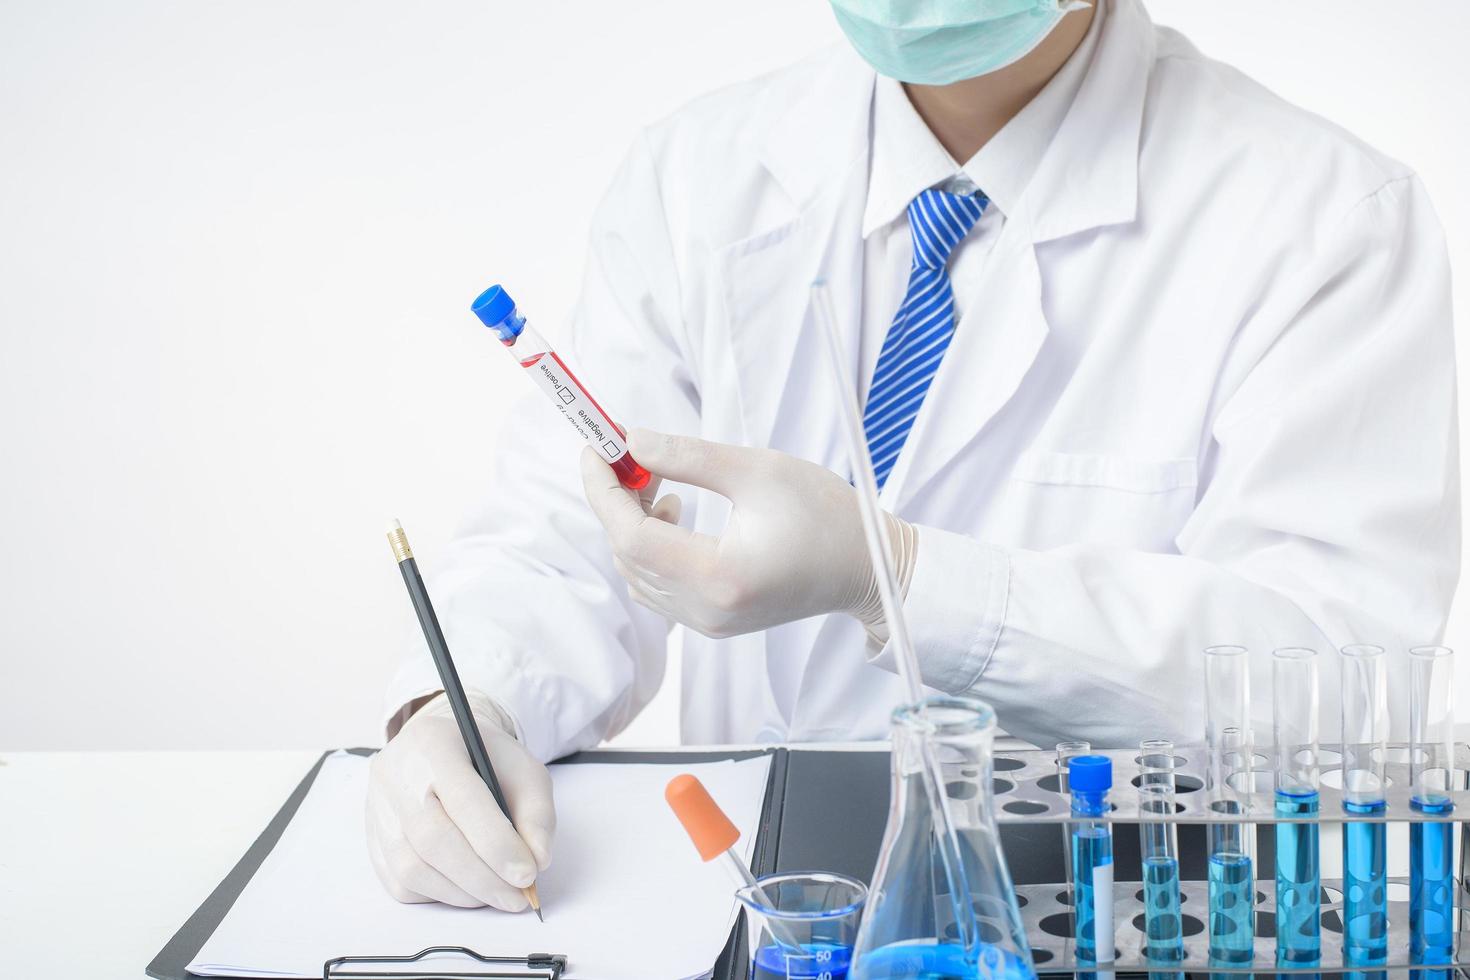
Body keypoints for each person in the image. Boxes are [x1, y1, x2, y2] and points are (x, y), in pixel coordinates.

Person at [366, 0, 1459, 910]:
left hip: (1096, 915)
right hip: (755, 899)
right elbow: (567, 544)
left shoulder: (1323, 220)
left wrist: (902, 578)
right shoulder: (697, 176)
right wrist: (467, 710)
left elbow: (1329, 696)